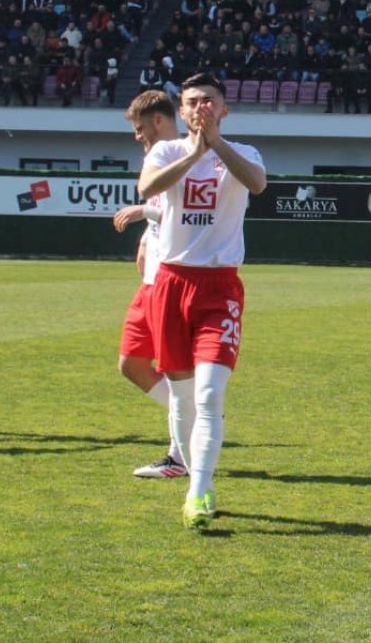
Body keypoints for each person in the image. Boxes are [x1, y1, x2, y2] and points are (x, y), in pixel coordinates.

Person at [138, 73, 267, 528]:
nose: (200, 109)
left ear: (224, 109)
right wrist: (194, 151)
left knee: (210, 393)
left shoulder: (244, 153)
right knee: (182, 395)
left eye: (209, 101)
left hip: (219, 288)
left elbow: (256, 183)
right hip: (171, 284)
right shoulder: (166, 150)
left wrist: (215, 147)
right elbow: (146, 189)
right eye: (192, 102)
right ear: (183, 110)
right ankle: (189, 468)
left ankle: (199, 490)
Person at [109, 90, 188, 478]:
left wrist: (145, 211)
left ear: (159, 120)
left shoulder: (188, 152)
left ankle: (179, 457)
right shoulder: (158, 156)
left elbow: (188, 210)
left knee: (175, 367)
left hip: (174, 277)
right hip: (152, 276)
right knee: (131, 362)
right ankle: (191, 414)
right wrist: (146, 235)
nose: (137, 136)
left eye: (141, 128)